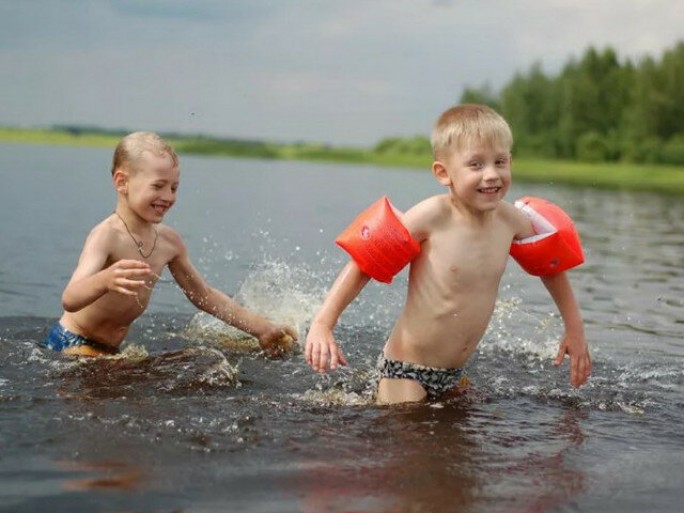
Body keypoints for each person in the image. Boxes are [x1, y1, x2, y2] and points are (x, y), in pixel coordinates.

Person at [305, 104, 591, 404]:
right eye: (476, 165)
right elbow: (365, 262)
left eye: (500, 161)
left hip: (454, 373)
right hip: (406, 370)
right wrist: (323, 324)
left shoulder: (512, 221)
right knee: (407, 429)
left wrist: (575, 328)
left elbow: (551, 266)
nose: (492, 174)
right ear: (444, 173)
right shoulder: (431, 217)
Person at [45, 131, 297, 357]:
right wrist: (105, 279)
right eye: (158, 186)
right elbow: (70, 299)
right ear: (122, 182)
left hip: (109, 350)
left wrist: (262, 329)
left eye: (174, 188)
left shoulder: (168, 241)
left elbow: (204, 295)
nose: (167, 197)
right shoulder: (106, 235)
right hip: (72, 342)